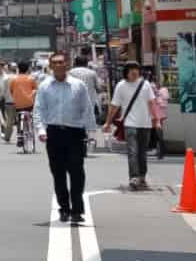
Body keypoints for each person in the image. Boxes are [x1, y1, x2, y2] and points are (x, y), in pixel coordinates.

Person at [35, 51, 99, 224]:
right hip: (54, 133)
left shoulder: (78, 85)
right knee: (58, 173)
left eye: (61, 62)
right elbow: (39, 110)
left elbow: (87, 108)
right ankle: (64, 208)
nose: (58, 65)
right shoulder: (45, 86)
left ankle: (77, 210)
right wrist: (41, 130)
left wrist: (91, 131)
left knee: (77, 171)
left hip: (75, 132)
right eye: (55, 63)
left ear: (67, 64)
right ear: (50, 66)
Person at [108, 62, 159, 190]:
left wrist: (156, 120)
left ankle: (142, 176)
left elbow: (152, 103)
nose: (135, 72)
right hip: (130, 123)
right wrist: (108, 122)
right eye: (132, 70)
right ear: (126, 72)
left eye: (136, 70)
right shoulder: (121, 86)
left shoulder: (145, 84)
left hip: (145, 124)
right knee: (132, 151)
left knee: (142, 152)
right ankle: (134, 177)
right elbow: (114, 105)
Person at [71, 53, 103, 152]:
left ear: (75, 63)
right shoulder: (92, 73)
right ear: (86, 63)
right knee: (90, 120)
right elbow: (98, 88)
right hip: (89, 101)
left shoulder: (71, 72)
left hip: (74, 101)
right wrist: (99, 90)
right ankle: (91, 137)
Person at [9, 60, 39, 149]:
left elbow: (11, 91)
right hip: (29, 103)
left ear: (18, 69)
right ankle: (29, 129)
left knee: (19, 119)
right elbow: (36, 90)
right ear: (28, 69)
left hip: (17, 103)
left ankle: (20, 136)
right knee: (29, 115)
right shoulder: (31, 79)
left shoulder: (13, 79)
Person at [145, 64, 171, 158]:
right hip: (160, 110)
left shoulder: (150, 85)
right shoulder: (162, 88)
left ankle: (154, 148)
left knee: (153, 130)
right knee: (158, 129)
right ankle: (159, 150)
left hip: (154, 110)